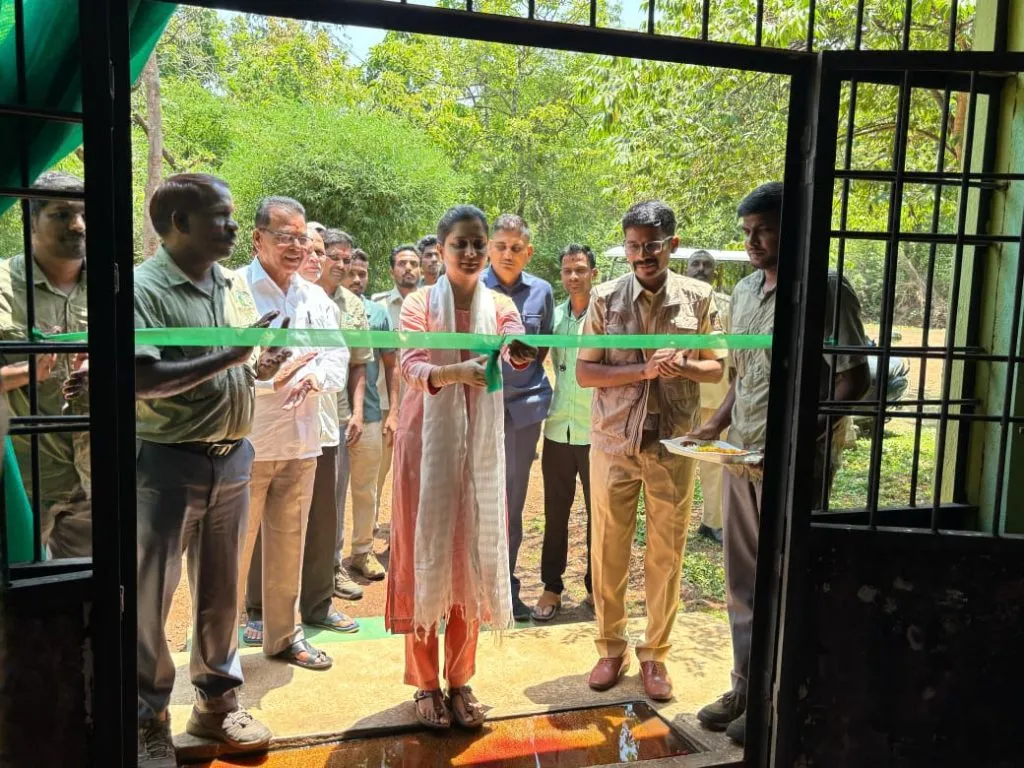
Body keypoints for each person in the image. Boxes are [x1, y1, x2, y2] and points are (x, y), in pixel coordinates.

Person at [692, 182, 869, 745]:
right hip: (741, 459)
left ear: (792, 228)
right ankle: (744, 685)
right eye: (747, 233)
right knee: (742, 582)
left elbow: (853, 377)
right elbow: (743, 375)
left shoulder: (825, 288)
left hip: (793, 468)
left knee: (786, 582)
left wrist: (798, 440)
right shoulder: (743, 292)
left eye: (764, 231)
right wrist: (715, 426)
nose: (753, 242)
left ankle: (778, 695)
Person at [131, 173, 288, 766]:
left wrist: (260, 365)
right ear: (178, 225)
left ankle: (217, 705)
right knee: (151, 594)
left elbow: (240, 366)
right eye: (219, 217)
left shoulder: (229, 285)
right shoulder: (144, 288)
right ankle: (147, 718)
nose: (231, 227)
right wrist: (236, 353)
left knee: (222, 593)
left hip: (232, 459)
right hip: (167, 463)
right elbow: (142, 380)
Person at [385, 204, 536, 731]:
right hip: (423, 447)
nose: (471, 254)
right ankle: (426, 686)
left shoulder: (500, 304)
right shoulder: (419, 304)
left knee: (472, 555)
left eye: (479, 244)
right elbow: (410, 364)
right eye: (460, 245)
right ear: (441, 251)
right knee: (427, 554)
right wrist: (452, 372)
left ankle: (462, 680)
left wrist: (518, 352)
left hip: (482, 450)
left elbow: (518, 349)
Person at [578, 200, 725, 702]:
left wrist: (681, 364)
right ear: (625, 249)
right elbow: (585, 372)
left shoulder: (700, 297)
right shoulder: (603, 298)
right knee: (610, 547)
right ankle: (610, 647)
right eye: (635, 247)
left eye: (653, 246)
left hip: (674, 442)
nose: (643, 255)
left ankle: (656, 654)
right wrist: (639, 371)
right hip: (615, 441)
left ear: (673, 246)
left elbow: (716, 368)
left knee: (667, 551)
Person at [237, 196, 350, 671]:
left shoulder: (314, 297)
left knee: (289, 544)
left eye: (301, 237)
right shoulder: (234, 291)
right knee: (232, 555)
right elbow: (221, 360)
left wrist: (315, 377)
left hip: (302, 443)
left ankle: (285, 636)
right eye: (284, 236)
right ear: (257, 239)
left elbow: (337, 356)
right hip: (244, 443)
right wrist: (266, 376)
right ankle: (218, 652)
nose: (295, 246)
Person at [0, 170, 91, 558]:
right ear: (30, 218)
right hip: (23, 479)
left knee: (89, 597)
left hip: (94, 478)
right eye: (61, 214)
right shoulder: (3, 284)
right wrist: (27, 371)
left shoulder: (113, 283)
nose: (78, 224)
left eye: (84, 213)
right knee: (16, 597)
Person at [481, 213, 554, 621]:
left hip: (522, 410)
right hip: (477, 405)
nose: (508, 254)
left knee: (511, 502)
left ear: (528, 252)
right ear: (490, 248)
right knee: (471, 496)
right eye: (501, 246)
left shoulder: (542, 292)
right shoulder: (471, 285)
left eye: (516, 248)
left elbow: (541, 348)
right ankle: (470, 593)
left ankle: (505, 590)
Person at [532, 244, 598, 622]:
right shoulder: (553, 317)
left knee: (598, 515)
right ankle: (551, 587)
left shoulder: (606, 315)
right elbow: (538, 362)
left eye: (580, 270)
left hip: (596, 432)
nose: (573, 277)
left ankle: (597, 588)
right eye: (567, 271)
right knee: (555, 513)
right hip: (558, 429)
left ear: (593, 273)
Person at [317, 228, 374, 600]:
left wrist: (356, 412)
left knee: (333, 499)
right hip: (295, 418)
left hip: (338, 417)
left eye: (346, 259)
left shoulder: (352, 305)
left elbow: (359, 364)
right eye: (333, 257)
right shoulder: (299, 294)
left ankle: (331, 568)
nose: (340, 265)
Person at [339, 248, 394, 579]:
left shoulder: (378, 313)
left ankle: (362, 551)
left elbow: (392, 365)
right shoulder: (320, 306)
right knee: (327, 494)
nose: (357, 279)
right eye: (352, 272)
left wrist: (395, 411)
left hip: (370, 413)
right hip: (327, 416)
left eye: (363, 273)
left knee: (365, 487)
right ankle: (326, 561)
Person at [372, 244, 422, 532]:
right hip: (381, 403)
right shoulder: (377, 307)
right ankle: (366, 540)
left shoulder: (433, 304)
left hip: (422, 404)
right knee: (377, 477)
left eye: (413, 263)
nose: (409, 268)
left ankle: (403, 536)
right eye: (402, 263)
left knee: (414, 475)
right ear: (392, 270)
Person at [686, 249, 731, 544]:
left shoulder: (727, 304)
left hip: (717, 399)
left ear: (715, 272)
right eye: (696, 264)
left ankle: (712, 522)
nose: (701, 269)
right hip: (681, 397)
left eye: (707, 265)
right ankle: (673, 522)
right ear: (686, 268)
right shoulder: (672, 301)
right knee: (679, 464)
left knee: (715, 463)